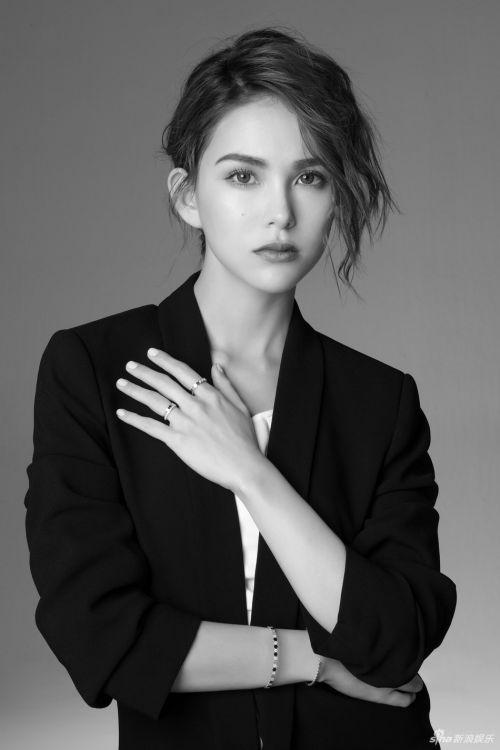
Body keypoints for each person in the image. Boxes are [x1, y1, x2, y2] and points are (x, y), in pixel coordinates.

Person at [24, 26, 456, 750]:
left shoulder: (381, 402)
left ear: (336, 198)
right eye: (243, 176)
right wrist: (315, 660)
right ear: (188, 196)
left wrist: (251, 472)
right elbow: (101, 637)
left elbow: (394, 639)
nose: (280, 211)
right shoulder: (97, 371)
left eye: (310, 177)